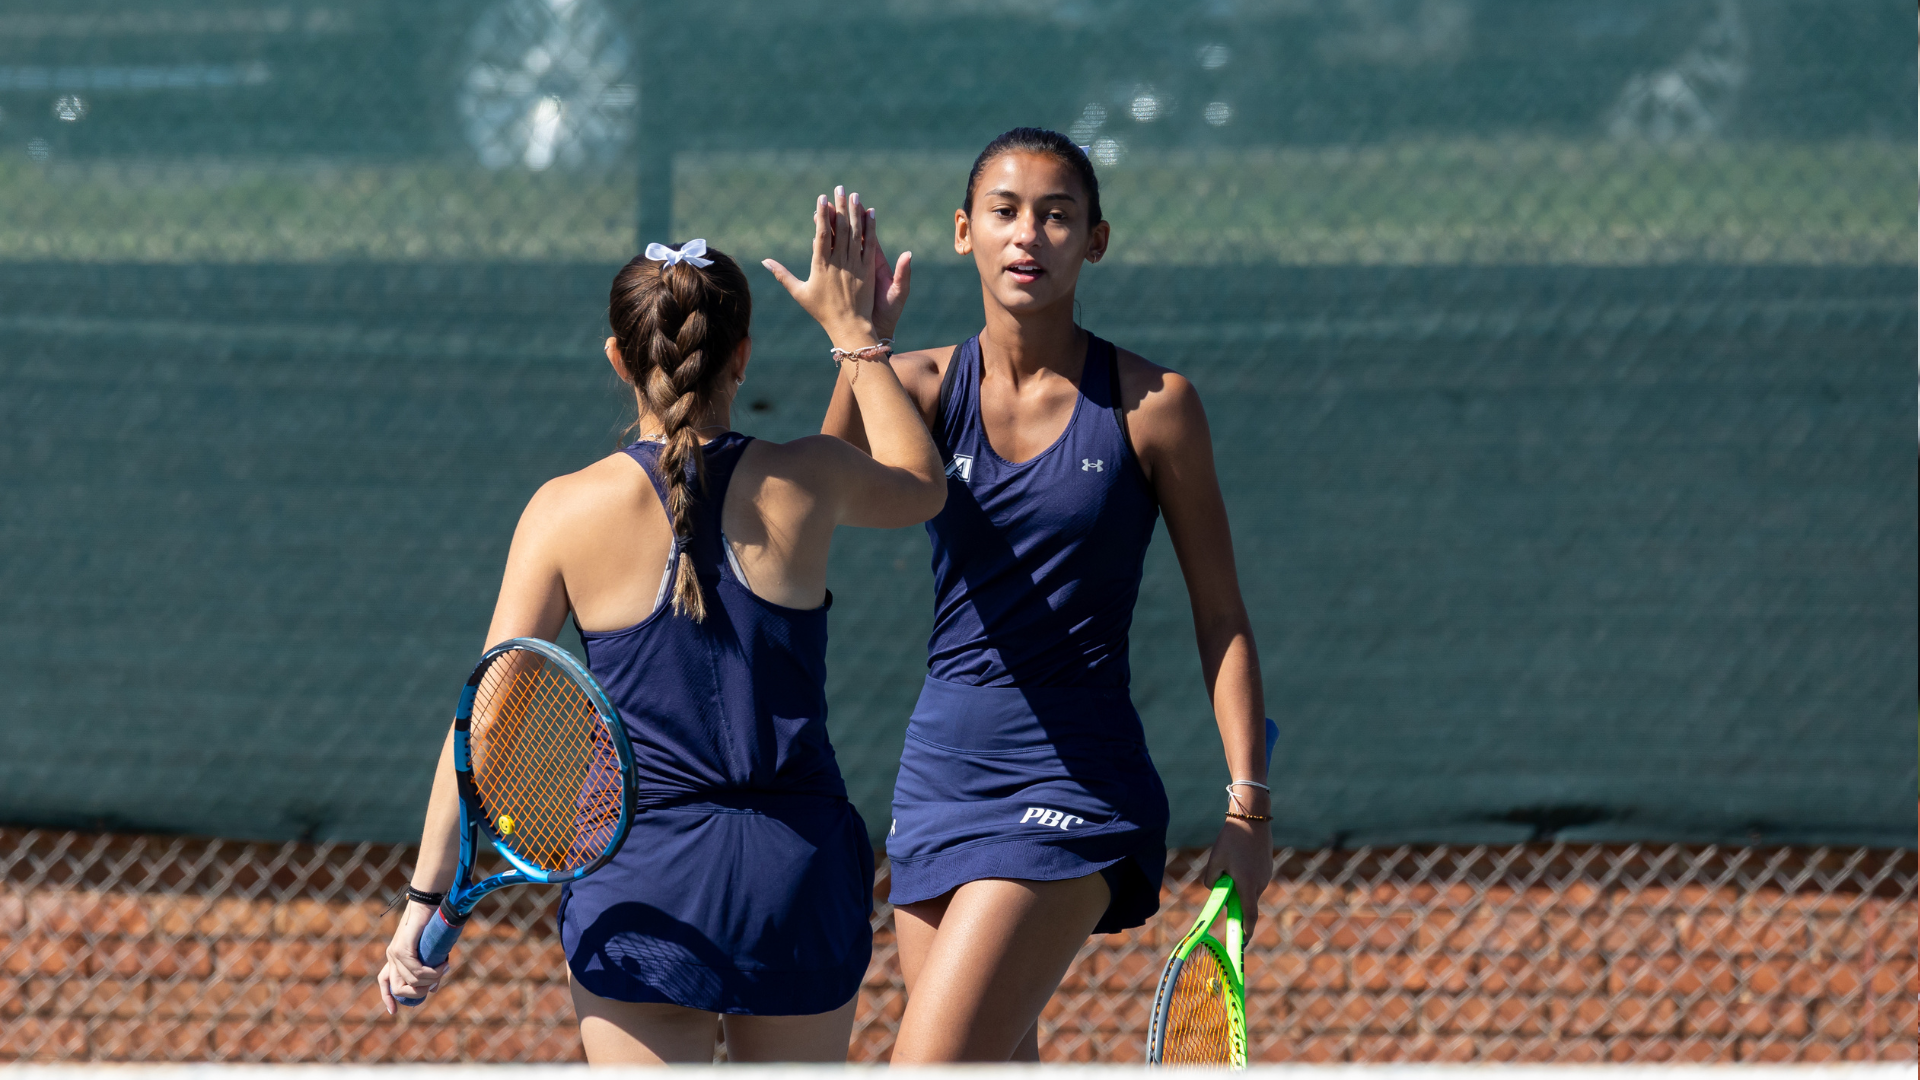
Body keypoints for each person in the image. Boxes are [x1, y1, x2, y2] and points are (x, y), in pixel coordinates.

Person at [377, 190, 945, 1063]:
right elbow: (920, 480)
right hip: (794, 883)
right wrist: (859, 342)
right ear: (743, 359)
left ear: (618, 358)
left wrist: (423, 898)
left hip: (646, 889)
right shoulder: (812, 479)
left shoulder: (563, 511)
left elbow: (484, 723)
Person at [818, 128, 1273, 1062]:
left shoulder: (1155, 405)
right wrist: (857, 342)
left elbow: (1221, 616)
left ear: (1094, 241)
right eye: (1006, 212)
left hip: (1075, 783)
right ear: (963, 232)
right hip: (939, 778)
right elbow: (808, 509)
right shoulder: (918, 385)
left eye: (1058, 215)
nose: (1030, 234)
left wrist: (1249, 812)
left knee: (927, 1063)